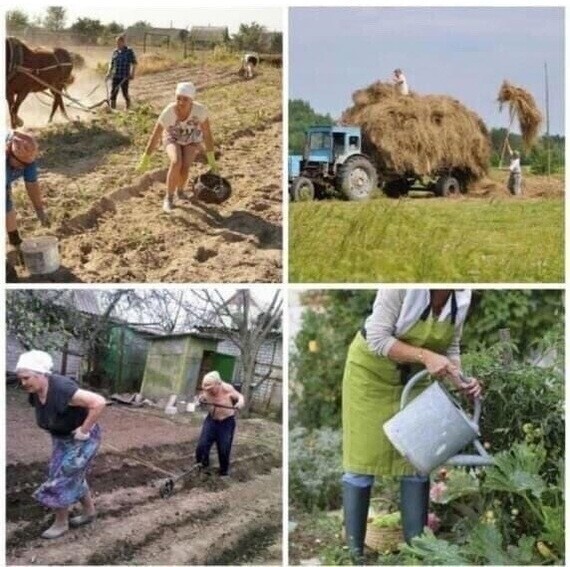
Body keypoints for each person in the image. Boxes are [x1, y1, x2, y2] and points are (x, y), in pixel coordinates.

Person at [342, 289, 482, 560]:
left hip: (414, 381)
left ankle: (417, 553)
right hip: (370, 377)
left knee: (418, 461)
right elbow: (377, 338)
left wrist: (461, 381)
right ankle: (355, 555)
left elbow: (450, 347)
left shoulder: (461, 298)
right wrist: (425, 356)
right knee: (360, 462)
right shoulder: (400, 287)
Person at [15, 350, 107, 539]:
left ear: (41, 374)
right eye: (21, 379)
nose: (23, 383)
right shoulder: (35, 391)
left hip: (83, 439)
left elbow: (99, 402)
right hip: (62, 439)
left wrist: (84, 430)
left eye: (26, 378)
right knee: (72, 476)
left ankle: (61, 523)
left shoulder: (63, 388)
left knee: (61, 478)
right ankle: (90, 513)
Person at [136, 81, 219, 213]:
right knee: (176, 162)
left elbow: (207, 135)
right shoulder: (169, 112)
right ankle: (168, 198)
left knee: (185, 167)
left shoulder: (200, 111)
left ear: (191, 100)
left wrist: (211, 160)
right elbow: (155, 135)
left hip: (191, 138)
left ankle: (180, 192)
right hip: (172, 137)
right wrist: (146, 158)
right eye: (178, 98)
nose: (180, 102)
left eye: (185, 99)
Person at [6, 130, 50, 257]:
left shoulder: (27, 156)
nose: (23, 167)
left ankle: (15, 242)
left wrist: (40, 211)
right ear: (10, 154)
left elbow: (32, 185)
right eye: (20, 164)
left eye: (25, 164)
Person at [195, 371, 244, 476]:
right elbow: (201, 397)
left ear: (218, 384)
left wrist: (239, 403)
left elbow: (240, 397)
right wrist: (200, 400)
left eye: (211, 388)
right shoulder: (207, 390)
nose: (209, 391)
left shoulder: (227, 389)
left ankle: (223, 472)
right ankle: (202, 465)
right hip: (211, 420)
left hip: (226, 422)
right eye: (207, 389)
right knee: (201, 446)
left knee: (223, 448)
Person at [106, 34, 137, 110]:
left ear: (123, 42)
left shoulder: (129, 51)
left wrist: (132, 74)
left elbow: (134, 63)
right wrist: (108, 73)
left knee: (125, 93)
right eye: (117, 43)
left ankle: (128, 107)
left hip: (124, 76)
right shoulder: (115, 52)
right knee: (113, 92)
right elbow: (112, 64)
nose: (118, 44)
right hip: (116, 75)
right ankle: (113, 108)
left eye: (119, 43)